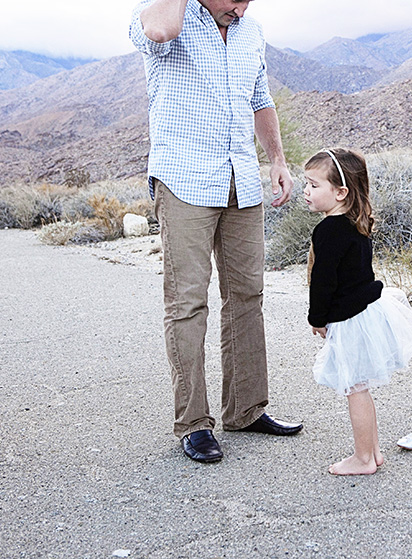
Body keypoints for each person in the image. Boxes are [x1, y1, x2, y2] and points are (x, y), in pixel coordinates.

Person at [129, 0, 302, 464]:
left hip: (239, 176)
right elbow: (161, 31)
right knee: (187, 301)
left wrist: (277, 160)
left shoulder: (250, 30)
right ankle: (193, 422)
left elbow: (259, 97)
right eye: (234, 0)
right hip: (184, 177)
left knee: (247, 293)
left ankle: (245, 409)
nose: (242, 9)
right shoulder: (165, 16)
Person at [304, 148, 412, 475]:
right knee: (361, 388)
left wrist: (317, 318)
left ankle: (363, 459)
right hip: (367, 311)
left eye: (314, 185)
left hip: (351, 318)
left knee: (354, 389)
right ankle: (372, 452)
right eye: (306, 184)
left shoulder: (328, 230)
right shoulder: (356, 221)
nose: (306, 191)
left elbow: (323, 282)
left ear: (340, 192)